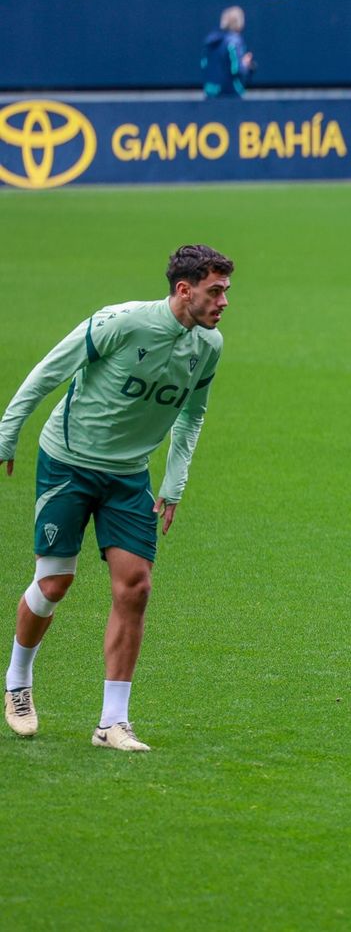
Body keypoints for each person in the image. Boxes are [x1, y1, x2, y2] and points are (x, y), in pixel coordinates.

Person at [2, 246, 232, 753]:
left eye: (226, 292)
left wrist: (173, 482)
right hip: (69, 462)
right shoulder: (121, 323)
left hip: (128, 477)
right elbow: (49, 371)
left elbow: (192, 415)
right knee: (55, 582)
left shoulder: (209, 346)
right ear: (184, 289)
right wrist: (7, 431)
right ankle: (17, 682)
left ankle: (112, 723)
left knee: (135, 588)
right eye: (215, 291)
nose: (223, 302)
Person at [201, 6, 253, 98]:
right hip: (230, 92)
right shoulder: (234, 41)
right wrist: (246, 64)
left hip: (211, 91)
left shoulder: (212, 41)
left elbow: (204, 65)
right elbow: (236, 69)